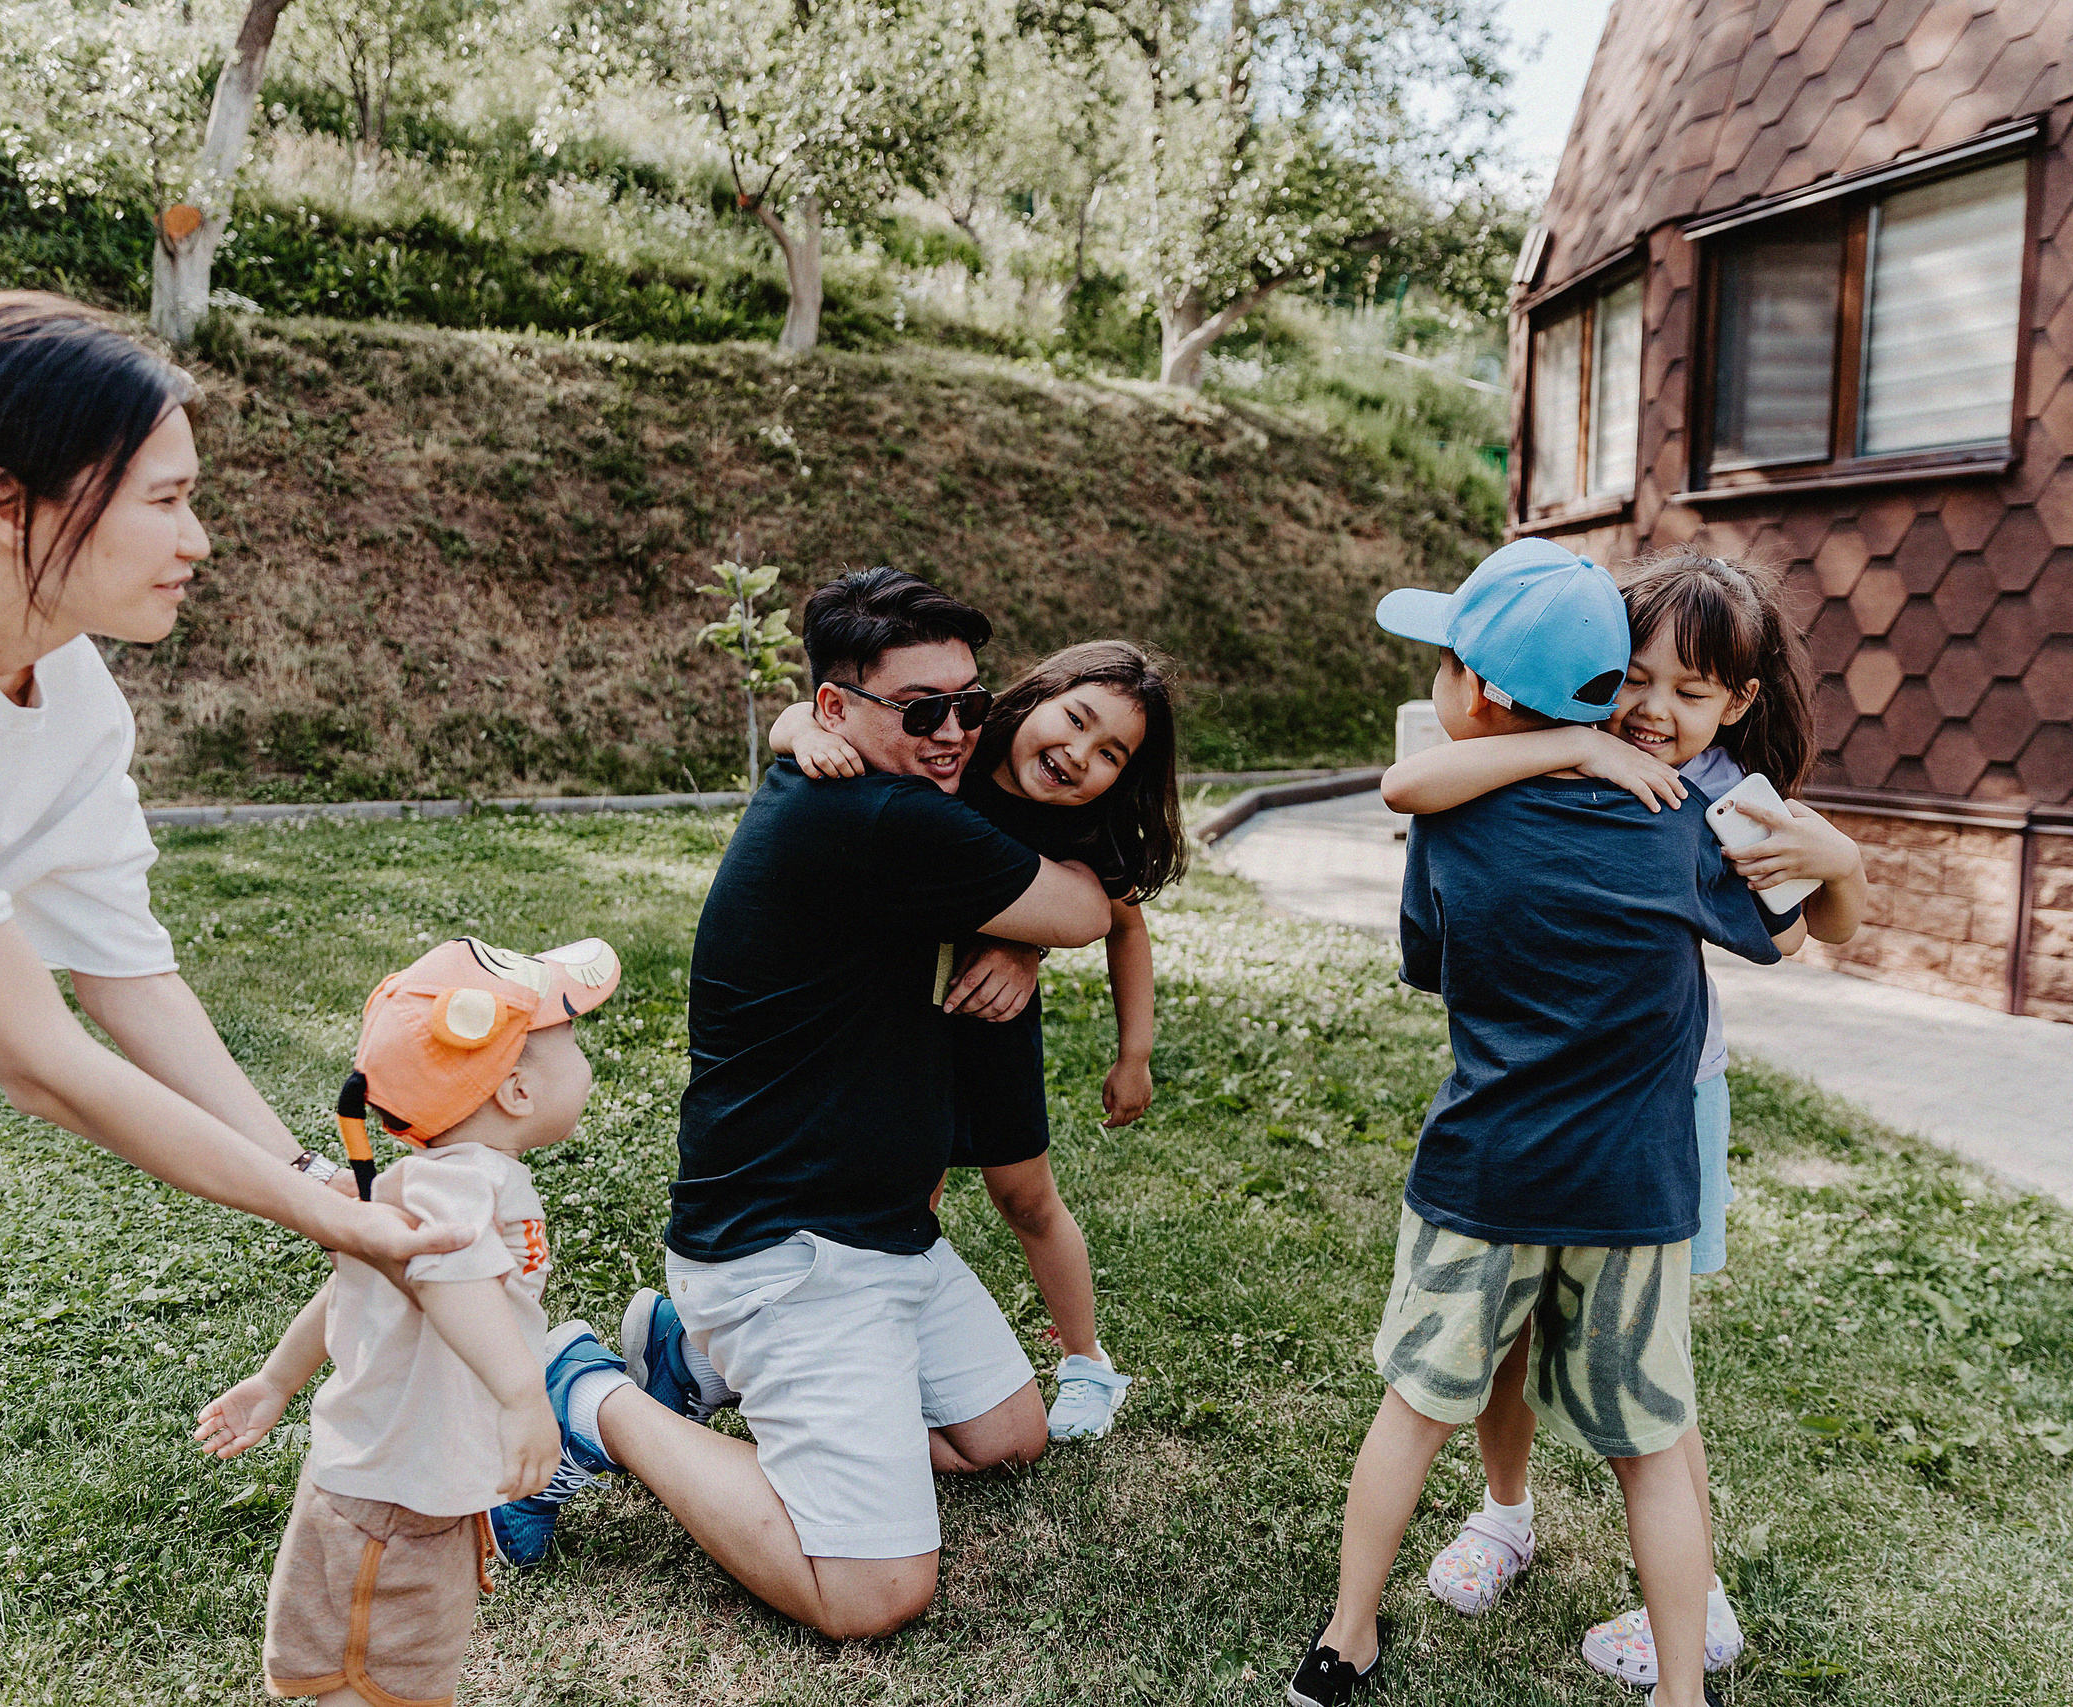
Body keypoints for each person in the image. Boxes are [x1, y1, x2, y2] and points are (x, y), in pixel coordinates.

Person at [0, 291, 464, 1707]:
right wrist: (327, 1218)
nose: (200, 540)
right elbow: (37, 1056)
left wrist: (308, 1165)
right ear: (6, 501)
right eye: (167, 499)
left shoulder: (65, 687)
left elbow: (125, 976)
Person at [490, 568, 1113, 1637]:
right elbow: (1084, 905)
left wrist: (1007, 932)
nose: (956, 730)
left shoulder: (868, 789)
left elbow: (1050, 908)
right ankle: (588, 1391)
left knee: (1005, 1439)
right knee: (872, 1593)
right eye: (923, 711)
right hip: (791, 1249)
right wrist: (1024, 927)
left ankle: (693, 1352)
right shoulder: (879, 819)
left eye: (972, 703)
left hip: (880, 1234)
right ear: (837, 711)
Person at [1285, 539, 1799, 1707]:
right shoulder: (1688, 827)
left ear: (1478, 691)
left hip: (1485, 1171)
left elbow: (1430, 959)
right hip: (1635, 1190)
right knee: (1653, 1443)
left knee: (1416, 1408)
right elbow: (1779, 933)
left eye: (1439, 668)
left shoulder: (1451, 827)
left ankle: (1345, 1640)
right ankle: (1679, 1693)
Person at [768, 639, 1190, 1442]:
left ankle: (1089, 1361)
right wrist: (803, 734)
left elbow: (1123, 927)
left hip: (991, 1031)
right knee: (905, 1200)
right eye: (1075, 719)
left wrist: (1133, 1051)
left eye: (1111, 754)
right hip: (901, 1027)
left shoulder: (1083, 831)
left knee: (1026, 1198)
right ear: (1035, 695)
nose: (1077, 755)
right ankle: (885, 1347)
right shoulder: (956, 744)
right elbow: (812, 712)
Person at [195, 936, 620, 1707]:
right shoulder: (466, 1185)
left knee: (386, 1671)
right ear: (516, 1092)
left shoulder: (437, 1183)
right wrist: (527, 1397)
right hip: (399, 1499)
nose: (586, 1061)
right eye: (572, 1043)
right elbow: (453, 1280)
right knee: (376, 1677)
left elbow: (353, 1292)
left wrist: (276, 1378)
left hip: (408, 1480)